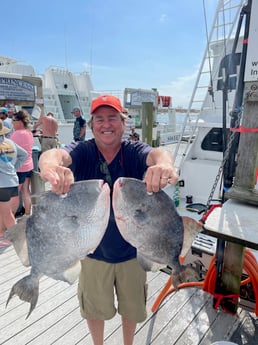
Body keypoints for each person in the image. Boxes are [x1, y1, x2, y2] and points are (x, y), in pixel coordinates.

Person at [38, 94, 178, 345]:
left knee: (132, 308)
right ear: (92, 125)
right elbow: (56, 156)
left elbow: (159, 154)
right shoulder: (83, 151)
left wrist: (164, 166)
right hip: (92, 252)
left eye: (112, 118)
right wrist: (50, 167)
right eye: (99, 119)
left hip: (133, 251)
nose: (106, 124)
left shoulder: (133, 151)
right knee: (94, 310)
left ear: (123, 123)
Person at [0, 119, 28, 247]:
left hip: (2, 184)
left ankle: (16, 238)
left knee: (6, 213)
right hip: (12, 181)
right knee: (4, 211)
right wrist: (14, 167)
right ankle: (1, 232)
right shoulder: (10, 142)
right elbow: (24, 154)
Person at [10, 110, 34, 216]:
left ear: (19, 121)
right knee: (26, 190)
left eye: (13, 121)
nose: (12, 123)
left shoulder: (16, 134)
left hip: (20, 167)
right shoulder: (29, 132)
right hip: (29, 165)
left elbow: (11, 152)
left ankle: (10, 215)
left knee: (15, 193)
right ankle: (28, 214)